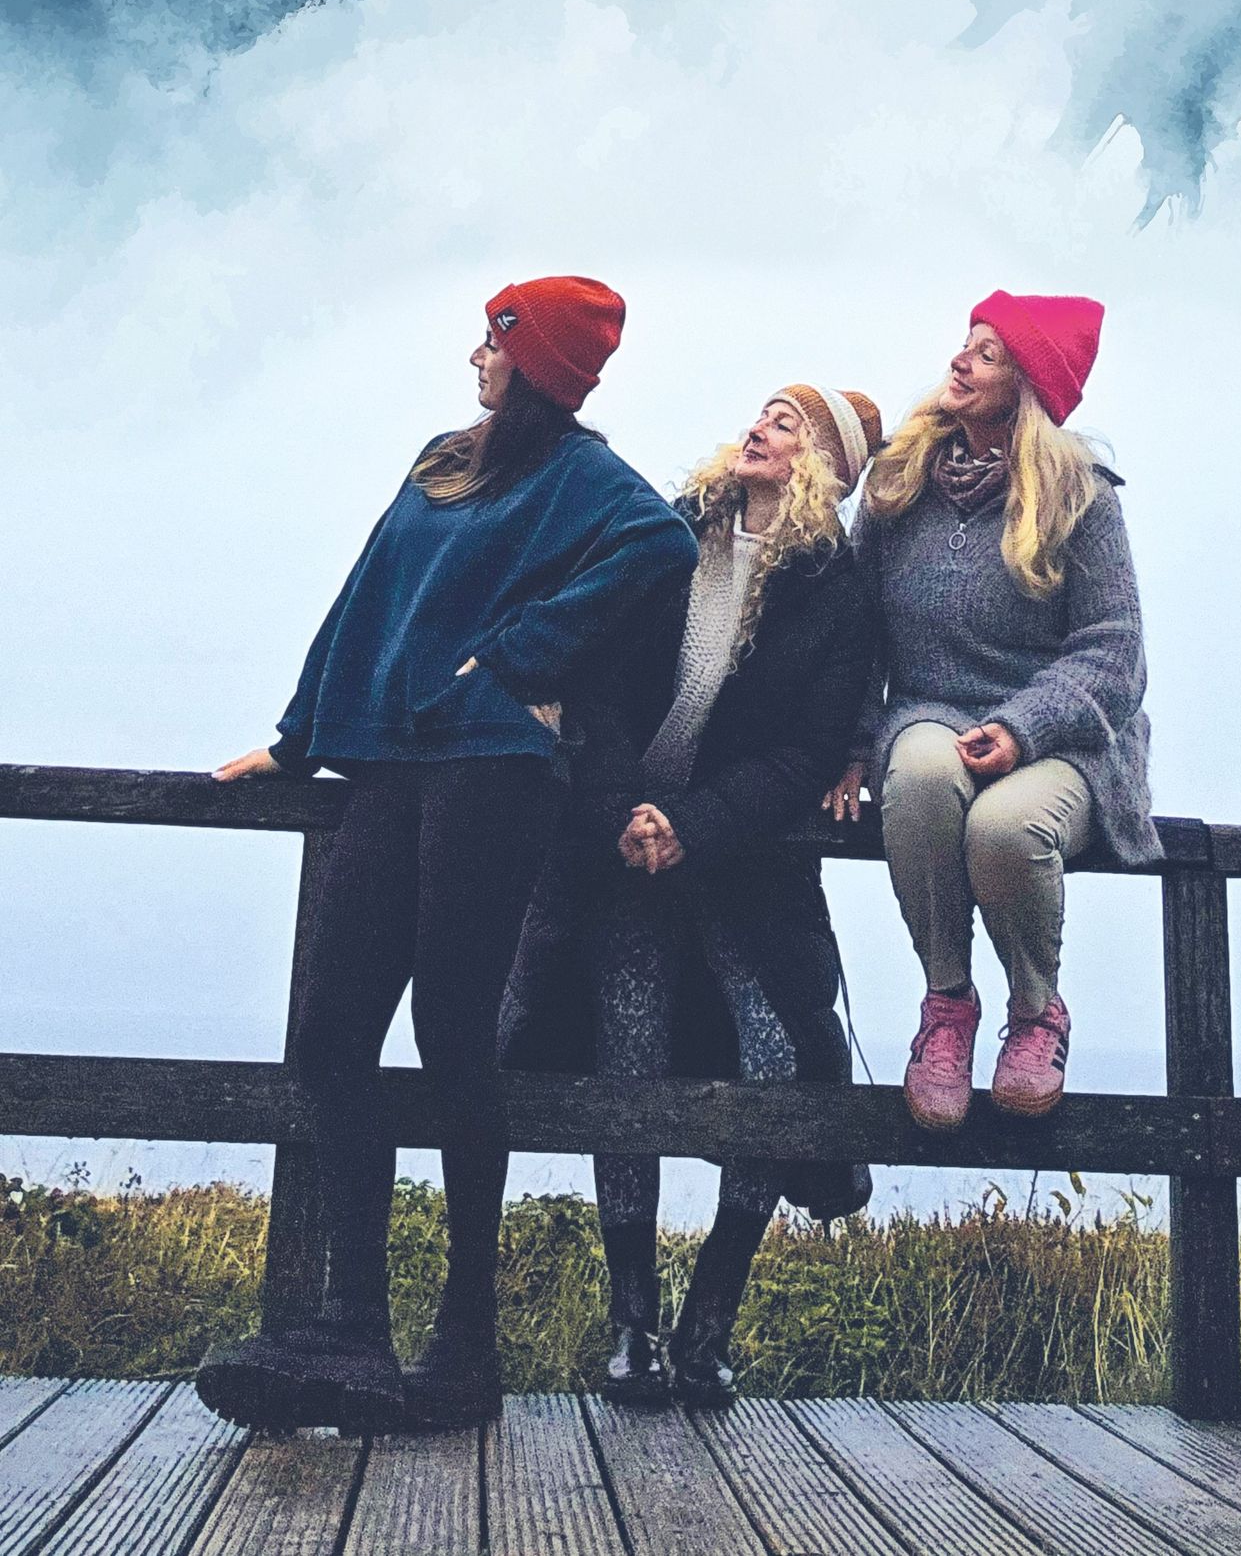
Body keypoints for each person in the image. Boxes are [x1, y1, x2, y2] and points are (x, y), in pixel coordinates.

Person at [193, 276, 698, 1434]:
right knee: (331, 1032)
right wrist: (296, 736)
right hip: (386, 757)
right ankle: (350, 1324)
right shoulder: (443, 460)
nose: (479, 352)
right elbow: (365, 596)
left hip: (490, 767)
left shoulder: (582, 476)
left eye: (497, 338)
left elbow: (659, 544)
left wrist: (519, 656)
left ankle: (464, 1343)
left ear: (538, 366)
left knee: (451, 1031)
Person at [499, 383, 881, 1405]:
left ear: (827, 472)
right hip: (620, 850)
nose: (759, 427)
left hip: (739, 862)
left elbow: (807, 746)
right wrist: (627, 807)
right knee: (626, 1044)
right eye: (761, 412)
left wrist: (694, 825)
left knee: (769, 1059)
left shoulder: (835, 592)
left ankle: (709, 1324)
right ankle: (631, 1323)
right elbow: (606, 687)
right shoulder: (673, 536)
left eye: (789, 423)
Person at [828, 293, 1160, 1131]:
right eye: (965, 345)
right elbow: (853, 632)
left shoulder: (1081, 496)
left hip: (1066, 743)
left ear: (1029, 385)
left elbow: (1115, 650)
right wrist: (854, 742)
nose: (961, 361)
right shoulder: (898, 485)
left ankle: (1036, 1011)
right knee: (926, 777)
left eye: (989, 352)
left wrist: (1023, 728)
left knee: (1005, 828)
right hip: (930, 713)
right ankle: (947, 1004)